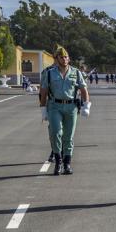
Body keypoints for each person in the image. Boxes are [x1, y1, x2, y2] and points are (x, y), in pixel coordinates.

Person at [39, 45, 91, 175]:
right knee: (55, 132)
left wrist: (86, 105)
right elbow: (44, 91)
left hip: (71, 107)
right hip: (54, 106)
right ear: (56, 59)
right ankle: (58, 161)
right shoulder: (49, 73)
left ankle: (67, 164)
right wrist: (43, 109)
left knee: (68, 136)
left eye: (66, 56)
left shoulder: (76, 72)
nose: (64, 59)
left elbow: (83, 90)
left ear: (69, 58)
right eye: (61, 57)